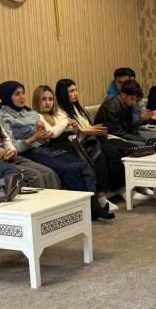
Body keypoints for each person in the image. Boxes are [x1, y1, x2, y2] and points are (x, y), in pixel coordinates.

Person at [0, 81, 113, 221]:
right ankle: (86, 210)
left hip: (44, 147)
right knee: (70, 168)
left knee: (82, 165)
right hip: (27, 152)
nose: (22, 97)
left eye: (23, 93)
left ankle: (94, 207)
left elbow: (47, 137)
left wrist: (43, 135)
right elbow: (11, 147)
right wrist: (33, 138)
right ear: (7, 96)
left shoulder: (30, 113)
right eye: (17, 94)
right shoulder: (2, 117)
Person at [0, 84, 61, 190]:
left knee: (48, 172)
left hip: (9, 157)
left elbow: (7, 141)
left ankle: (58, 201)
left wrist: (11, 151)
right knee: (34, 174)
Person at [50, 81, 127, 212]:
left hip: (91, 138)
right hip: (78, 143)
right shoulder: (59, 112)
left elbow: (87, 127)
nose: (75, 94)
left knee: (121, 147)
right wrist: (86, 131)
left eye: (76, 90)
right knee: (105, 153)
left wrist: (94, 130)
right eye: (71, 91)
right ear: (63, 93)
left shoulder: (78, 108)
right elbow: (68, 134)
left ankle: (125, 188)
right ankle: (101, 197)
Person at [94, 81, 146, 145]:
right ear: (123, 95)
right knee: (143, 144)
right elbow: (118, 133)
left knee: (152, 138)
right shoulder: (111, 107)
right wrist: (141, 139)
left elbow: (130, 128)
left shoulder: (127, 104)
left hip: (121, 136)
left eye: (136, 100)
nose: (134, 103)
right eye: (132, 99)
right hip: (108, 140)